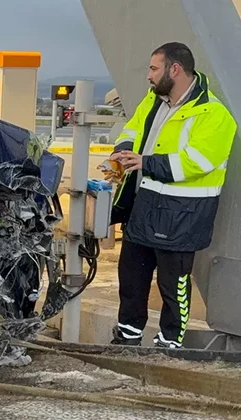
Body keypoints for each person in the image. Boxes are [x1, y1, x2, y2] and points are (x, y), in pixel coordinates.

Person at [109, 42, 236, 348]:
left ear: (174, 69)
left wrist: (145, 163)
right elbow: (132, 130)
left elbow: (196, 162)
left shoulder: (214, 115)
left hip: (182, 216)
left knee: (173, 284)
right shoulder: (154, 102)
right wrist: (121, 154)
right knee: (131, 276)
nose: (149, 76)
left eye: (154, 68)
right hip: (145, 208)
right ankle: (127, 336)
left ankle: (169, 344)